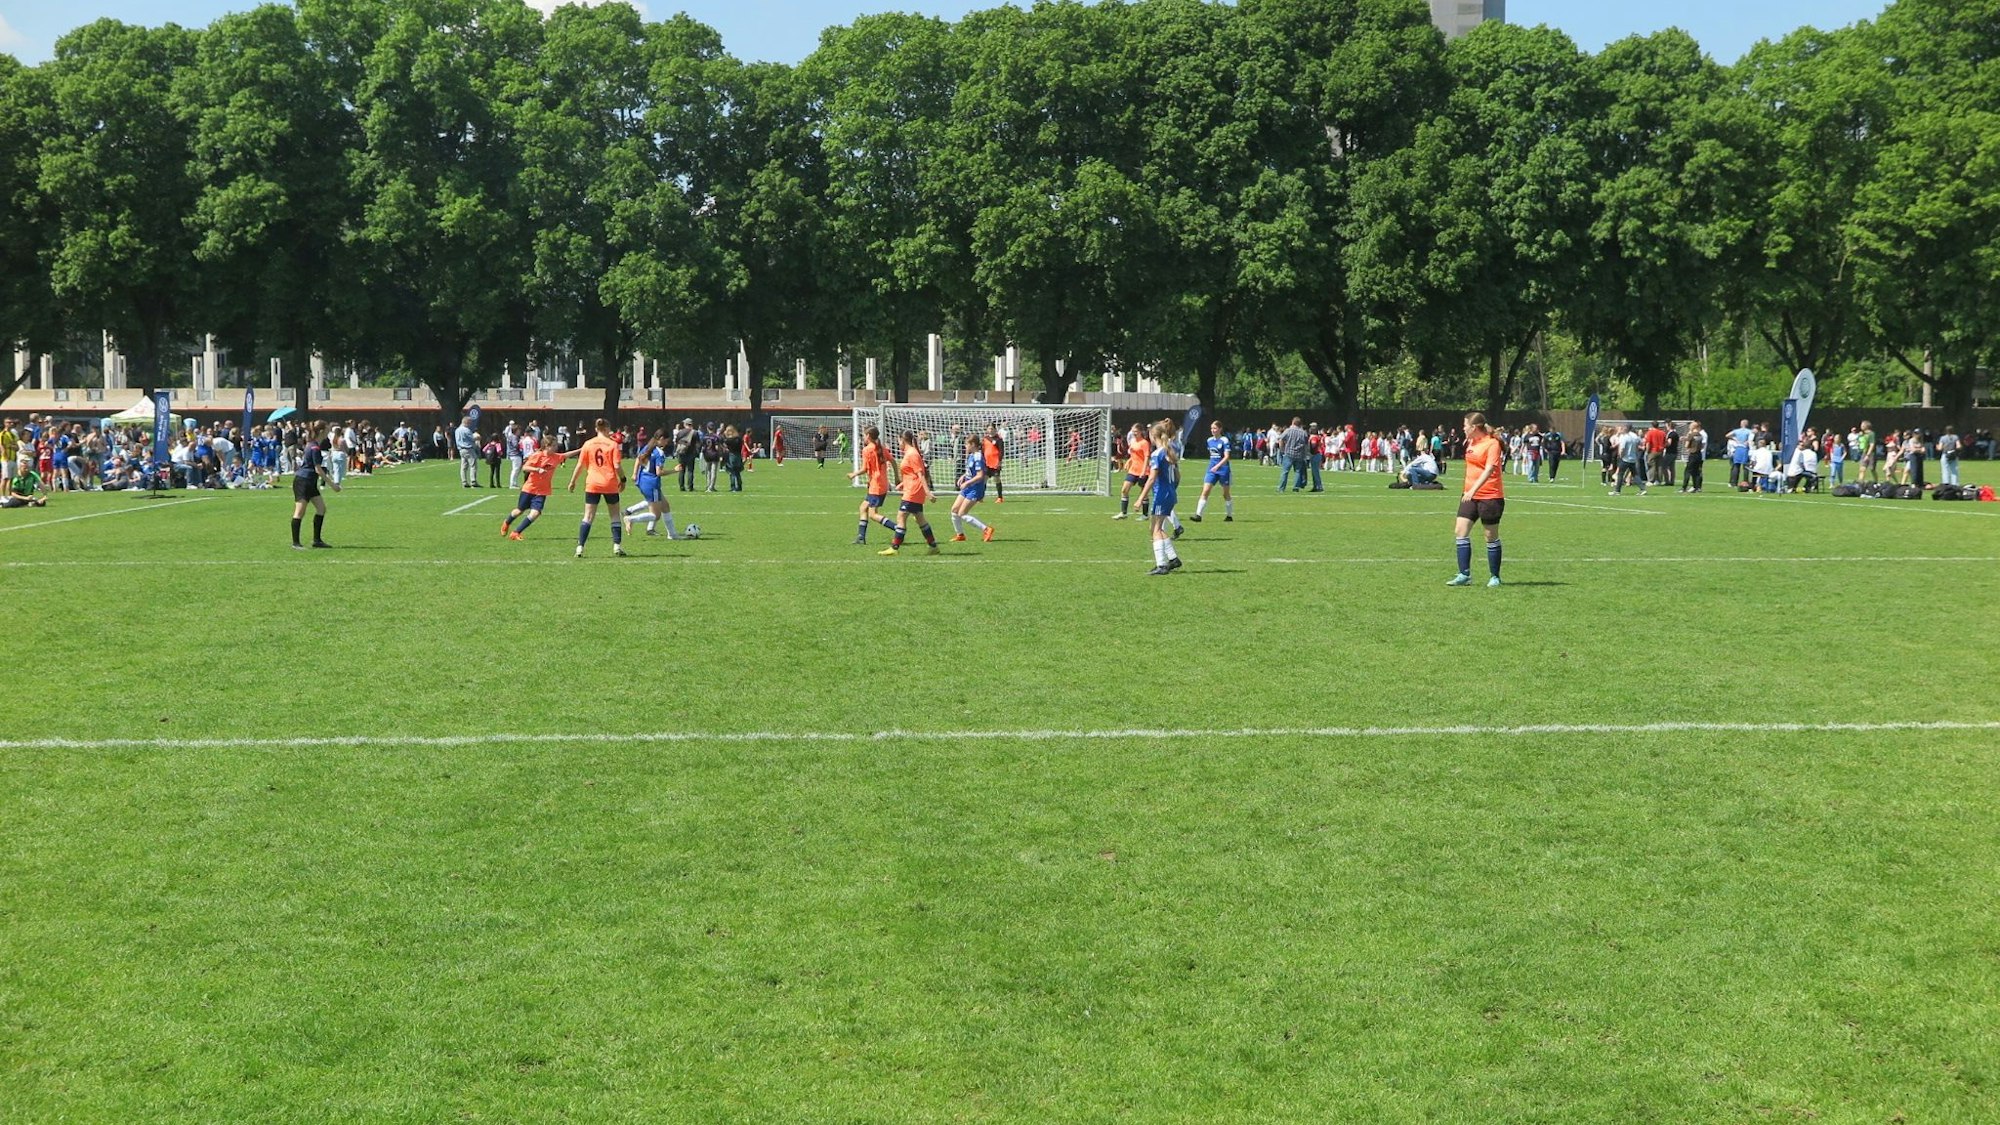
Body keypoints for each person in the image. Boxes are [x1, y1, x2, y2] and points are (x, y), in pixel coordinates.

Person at [1448, 412, 1505, 587]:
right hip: (1469, 496)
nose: (1463, 428)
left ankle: (1494, 576)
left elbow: (1489, 470)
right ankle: (1464, 575)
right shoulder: (1471, 442)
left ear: (1473, 428)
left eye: (1465, 425)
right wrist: (1469, 491)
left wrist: (1473, 490)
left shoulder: (1492, 444)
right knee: (1460, 531)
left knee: (1490, 536)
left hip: (1490, 496)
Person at [567, 417, 627, 558]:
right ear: (607, 429)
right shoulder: (612, 445)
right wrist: (623, 479)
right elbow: (617, 466)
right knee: (614, 515)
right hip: (609, 483)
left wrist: (572, 481)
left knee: (588, 516)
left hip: (592, 483)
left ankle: (580, 548)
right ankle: (617, 546)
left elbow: (580, 465)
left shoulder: (588, 444)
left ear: (596, 429)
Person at [877, 431, 940, 556]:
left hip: (913, 491)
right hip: (911, 489)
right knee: (919, 519)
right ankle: (933, 546)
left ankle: (894, 548)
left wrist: (928, 492)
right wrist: (902, 484)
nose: (898, 443)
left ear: (902, 440)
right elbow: (911, 474)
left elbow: (920, 474)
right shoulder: (909, 453)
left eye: (898, 441)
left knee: (901, 516)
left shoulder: (912, 454)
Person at [502, 439, 571, 540]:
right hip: (529, 488)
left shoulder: (556, 457)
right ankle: (507, 522)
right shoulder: (538, 455)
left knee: (536, 513)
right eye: (554, 445)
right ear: (547, 446)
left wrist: (582, 449)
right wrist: (537, 469)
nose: (556, 447)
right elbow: (525, 468)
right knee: (519, 511)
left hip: (542, 491)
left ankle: (516, 532)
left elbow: (566, 455)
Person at [1141, 420, 1184, 575]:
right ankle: (1172, 559)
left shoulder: (1157, 454)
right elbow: (1178, 476)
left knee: (1156, 529)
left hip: (1162, 494)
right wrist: (1172, 490)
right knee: (1154, 528)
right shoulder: (1169, 451)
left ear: (1154, 436)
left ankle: (1162, 565)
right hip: (1169, 493)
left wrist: (1141, 498)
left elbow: (1151, 478)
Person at [290, 422, 339, 549]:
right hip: (304, 481)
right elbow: (318, 469)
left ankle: (317, 540)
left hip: (310, 481)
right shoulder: (314, 448)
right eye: (328, 430)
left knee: (321, 509)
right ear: (322, 431)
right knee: (299, 512)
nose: (329, 432)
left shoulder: (313, 445)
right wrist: (332, 484)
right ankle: (296, 543)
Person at [621, 432, 679, 539]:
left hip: (642, 480)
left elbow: (638, 459)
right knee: (656, 515)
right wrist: (674, 471)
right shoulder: (659, 453)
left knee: (665, 506)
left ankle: (672, 534)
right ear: (661, 439)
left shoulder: (648, 447)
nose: (667, 443)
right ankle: (630, 519)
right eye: (666, 440)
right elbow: (659, 472)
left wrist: (634, 474)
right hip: (652, 484)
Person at [848, 425, 891, 544]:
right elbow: (892, 460)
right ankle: (861, 537)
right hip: (881, 484)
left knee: (873, 514)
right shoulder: (881, 448)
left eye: (864, 435)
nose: (863, 437)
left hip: (876, 486)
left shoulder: (867, 450)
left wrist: (854, 474)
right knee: (863, 507)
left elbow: (865, 469)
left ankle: (898, 529)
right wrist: (897, 477)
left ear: (868, 436)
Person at [950, 435, 995, 542]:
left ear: (973, 445)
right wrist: (964, 476)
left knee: (962, 513)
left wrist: (967, 483)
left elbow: (980, 476)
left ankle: (986, 529)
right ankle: (960, 535)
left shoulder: (978, 457)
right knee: (954, 510)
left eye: (967, 444)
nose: (965, 446)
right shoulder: (971, 455)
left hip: (975, 488)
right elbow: (970, 471)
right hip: (968, 487)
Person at [1191, 419, 1233, 522]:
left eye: (1215, 428)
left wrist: (1218, 466)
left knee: (1225, 494)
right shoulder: (1209, 440)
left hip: (1223, 469)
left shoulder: (1224, 440)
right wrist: (1213, 467)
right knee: (1205, 491)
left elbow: (1227, 457)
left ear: (1220, 429)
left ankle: (1229, 515)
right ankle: (1198, 515)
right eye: (1211, 428)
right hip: (1212, 469)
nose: (1213, 430)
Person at [1114, 423, 1151, 519]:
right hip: (1133, 470)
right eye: (1132, 431)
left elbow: (1147, 457)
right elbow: (1133, 454)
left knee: (1143, 493)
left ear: (1140, 432)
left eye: (1135, 431)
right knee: (1124, 490)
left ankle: (1145, 514)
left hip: (1143, 471)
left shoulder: (1144, 443)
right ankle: (1123, 513)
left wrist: (1143, 471)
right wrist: (1129, 461)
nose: (1133, 433)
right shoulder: (1133, 442)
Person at [1610, 423, 1646, 495]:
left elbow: (1622, 448)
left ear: (1626, 428)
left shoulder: (1624, 437)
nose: (1622, 429)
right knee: (1635, 474)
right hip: (1633, 458)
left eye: (1623, 428)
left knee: (1620, 474)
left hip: (1625, 458)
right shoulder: (1634, 436)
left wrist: (1621, 456)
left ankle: (1617, 491)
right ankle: (1642, 489)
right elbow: (1641, 442)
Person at [1278, 417, 1309, 492]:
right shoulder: (1303, 432)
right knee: (1297, 471)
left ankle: (1281, 488)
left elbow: (1281, 439)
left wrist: (1282, 450)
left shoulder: (1288, 430)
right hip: (1299, 454)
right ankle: (1296, 487)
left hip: (1289, 453)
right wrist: (1305, 454)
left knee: (1285, 471)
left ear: (1293, 422)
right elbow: (1306, 444)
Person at [1680, 422, 1708, 493]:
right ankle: (1697, 487)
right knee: (1697, 472)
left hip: (1692, 454)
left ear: (1694, 427)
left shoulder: (1691, 434)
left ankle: (1684, 487)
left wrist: (1686, 440)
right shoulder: (1700, 435)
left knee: (1687, 471)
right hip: (1699, 455)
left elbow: (1686, 445)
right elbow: (1702, 446)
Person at [981, 423, 1006, 503]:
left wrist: (999, 461)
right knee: (984, 480)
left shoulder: (999, 439)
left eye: (992, 429)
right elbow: (983, 450)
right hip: (986, 463)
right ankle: (980, 497)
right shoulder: (985, 439)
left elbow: (1001, 452)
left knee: (997, 479)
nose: (990, 430)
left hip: (995, 463)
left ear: (995, 429)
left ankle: (1000, 497)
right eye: (989, 429)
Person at [454, 413, 479, 487]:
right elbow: (472, 438)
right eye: (469, 423)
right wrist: (477, 437)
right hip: (468, 449)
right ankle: (473, 481)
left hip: (461, 449)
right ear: (466, 422)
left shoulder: (457, 430)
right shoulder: (466, 430)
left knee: (463, 467)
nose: (470, 424)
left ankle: (464, 482)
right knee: (473, 465)